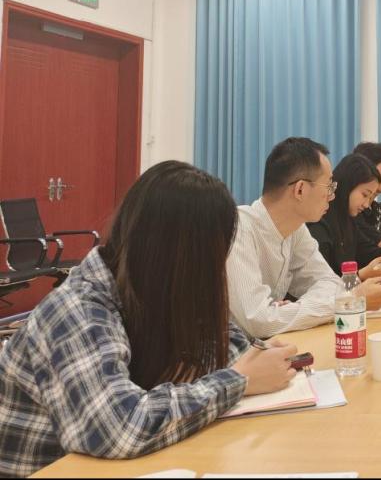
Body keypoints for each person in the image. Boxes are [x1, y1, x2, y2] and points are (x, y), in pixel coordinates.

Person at [0, 161, 297, 476]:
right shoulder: (79, 309)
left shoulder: (157, 288)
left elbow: (228, 348)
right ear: (183, 254)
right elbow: (119, 428)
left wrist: (257, 364)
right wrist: (240, 381)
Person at [226, 137, 381, 338]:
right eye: (329, 187)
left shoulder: (296, 230)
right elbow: (258, 320)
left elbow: (330, 282)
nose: (332, 196)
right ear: (300, 189)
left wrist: (286, 313)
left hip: (267, 345)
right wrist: (350, 299)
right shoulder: (238, 228)